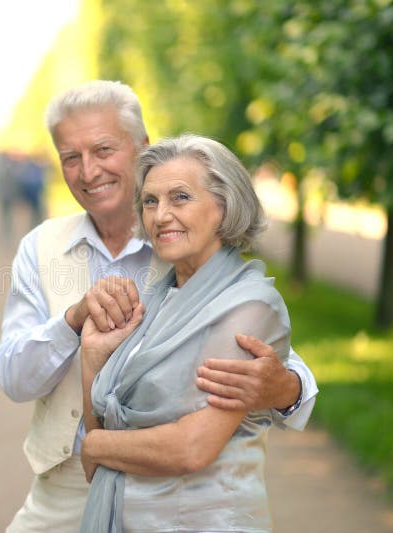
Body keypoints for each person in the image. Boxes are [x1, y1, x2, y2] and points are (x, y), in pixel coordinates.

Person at [0, 81, 318, 532]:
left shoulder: (184, 249)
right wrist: (72, 322)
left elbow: (270, 359)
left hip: (175, 494)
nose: (88, 171)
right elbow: (13, 377)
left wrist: (285, 389)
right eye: (71, 157)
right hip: (64, 485)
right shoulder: (40, 246)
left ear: (143, 147)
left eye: (103, 149)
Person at [80, 134, 292, 532]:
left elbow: (192, 446)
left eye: (180, 197)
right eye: (150, 201)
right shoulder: (157, 299)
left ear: (224, 206)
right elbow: (107, 434)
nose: (160, 216)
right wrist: (92, 358)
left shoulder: (250, 307)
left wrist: (94, 447)